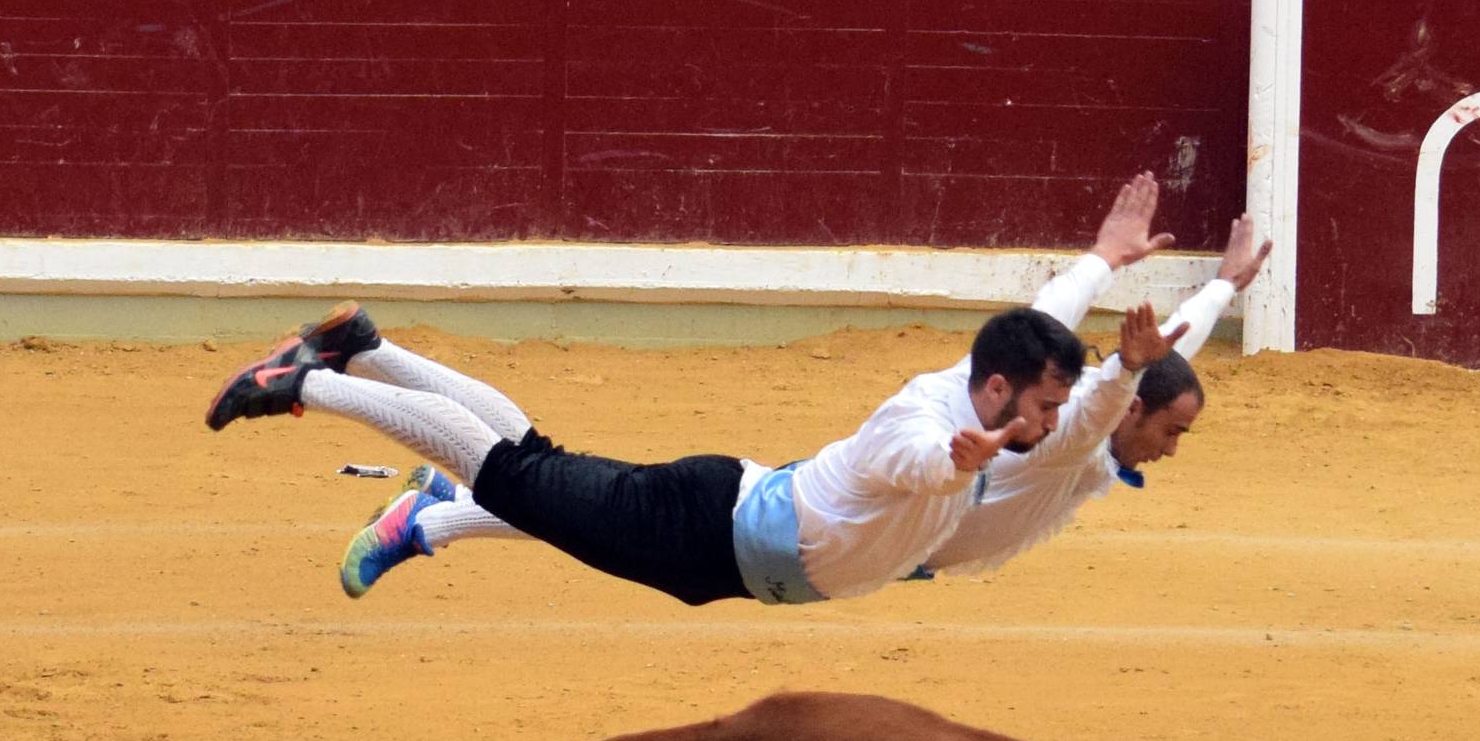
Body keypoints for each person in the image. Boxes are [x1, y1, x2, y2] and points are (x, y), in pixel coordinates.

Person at [204, 177, 1182, 605]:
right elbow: (915, 464)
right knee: (507, 473)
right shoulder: (925, 424)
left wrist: (1101, 273)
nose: (1056, 427)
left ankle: (367, 351)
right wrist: (959, 461)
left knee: (528, 466)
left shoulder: (982, 392)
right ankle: (314, 385)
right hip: (710, 528)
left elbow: (1054, 343)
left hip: (723, 542)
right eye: (1043, 410)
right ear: (999, 390)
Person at [918, 211, 1271, 578]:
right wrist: (1127, 368)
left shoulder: (1085, 390)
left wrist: (1224, 286)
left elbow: (1173, 342)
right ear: (1132, 408)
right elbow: (1097, 408)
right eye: (1171, 431)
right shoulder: (1067, 430)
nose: (1170, 451)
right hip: (880, 536)